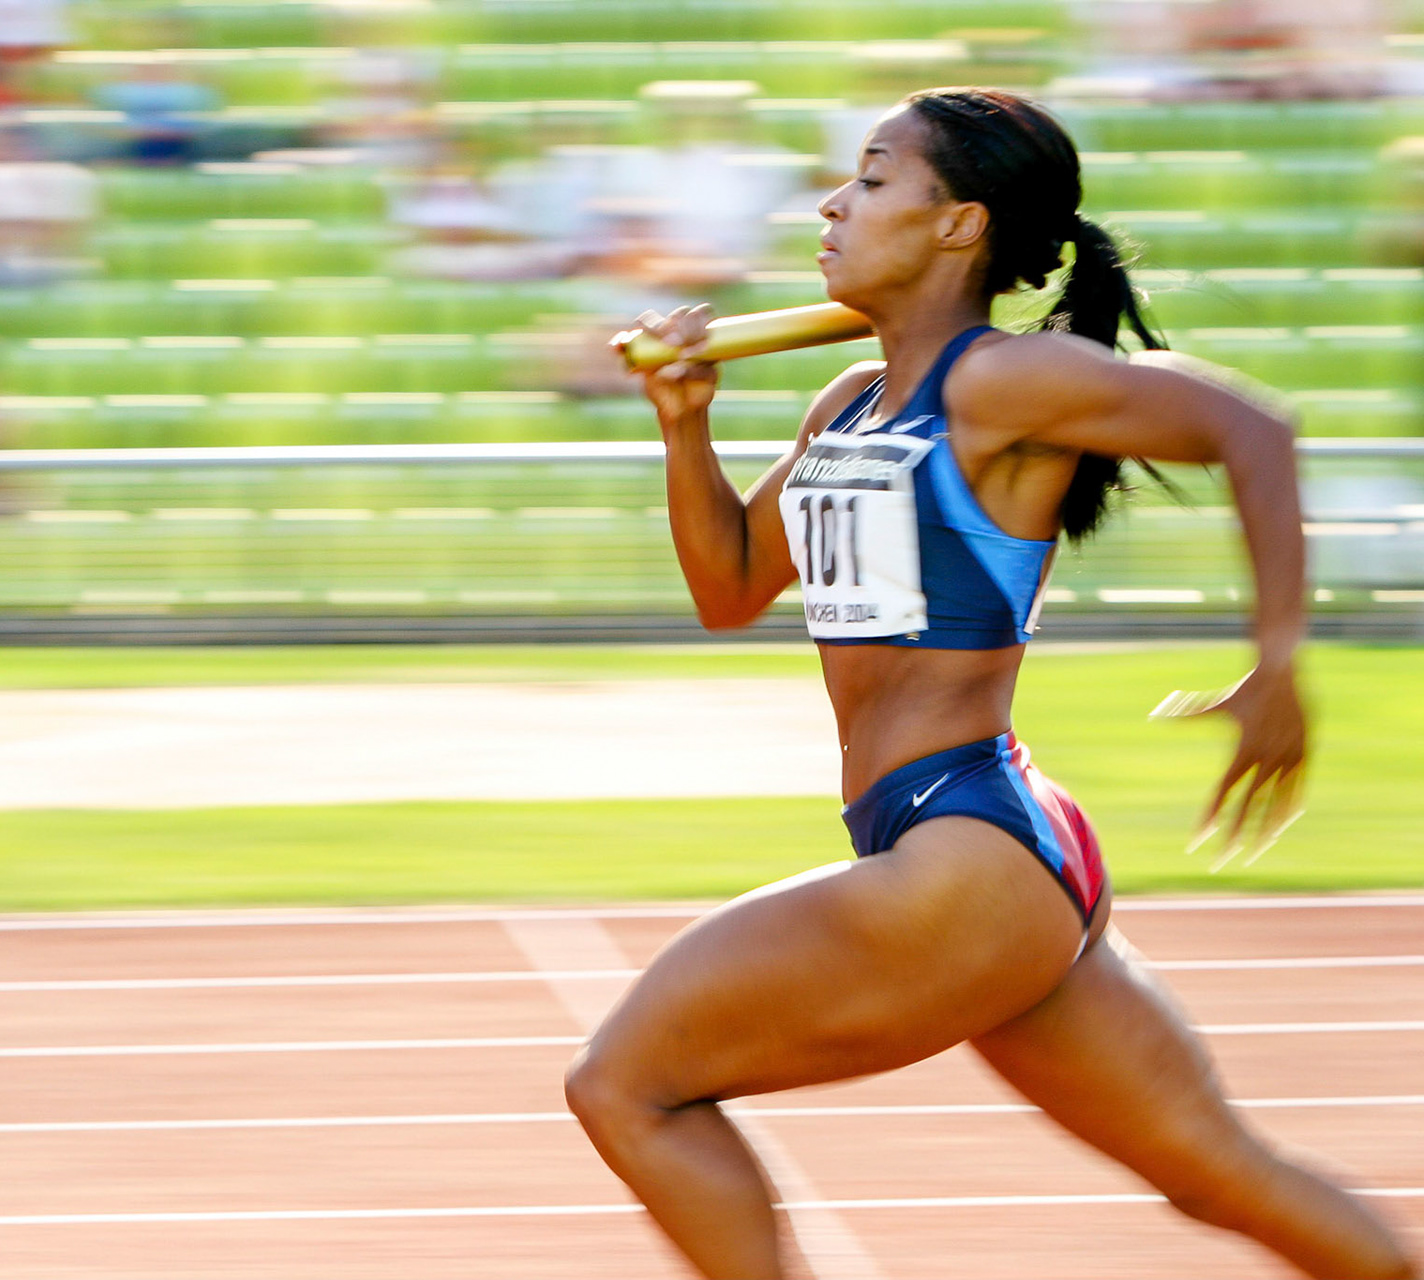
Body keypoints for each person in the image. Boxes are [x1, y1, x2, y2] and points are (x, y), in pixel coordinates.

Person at [565, 87, 1418, 1280]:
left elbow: (1254, 429)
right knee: (1213, 1173)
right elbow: (732, 586)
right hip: (992, 845)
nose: (832, 201)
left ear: (958, 225)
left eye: (870, 178)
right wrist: (684, 426)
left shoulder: (1001, 383)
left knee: (626, 1082)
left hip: (966, 841)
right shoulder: (849, 404)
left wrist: (1278, 664)